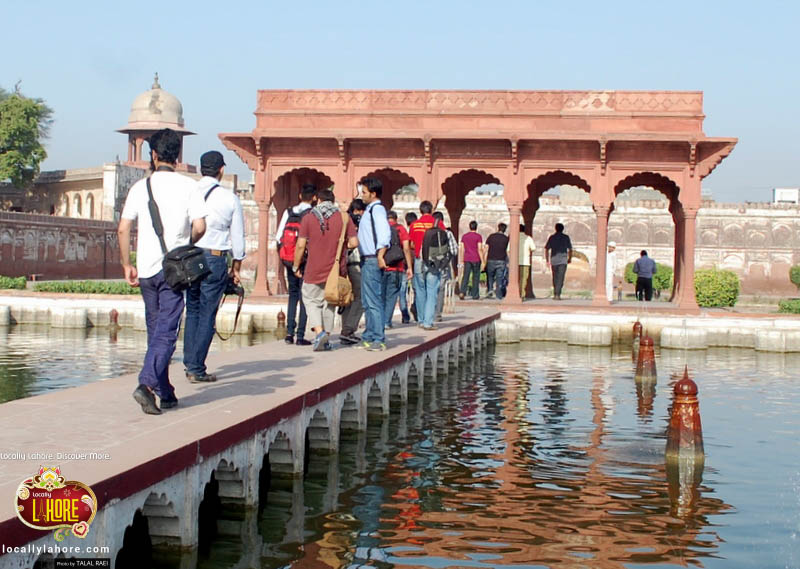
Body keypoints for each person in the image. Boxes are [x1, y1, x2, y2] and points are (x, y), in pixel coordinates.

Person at [117, 128, 207, 415]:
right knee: (167, 332)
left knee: (157, 330)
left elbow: (122, 228)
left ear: (153, 155)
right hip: (174, 270)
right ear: (177, 155)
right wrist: (186, 244)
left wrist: (126, 264)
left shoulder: (139, 188)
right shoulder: (189, 186)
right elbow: (201, 226)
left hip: (145, 269)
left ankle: (166, 392)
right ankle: (146, 385)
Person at [183, 151, 246, 383]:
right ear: (221, 170)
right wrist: (236, 268)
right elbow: (237, 239)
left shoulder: (190, 191)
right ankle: (196, 367)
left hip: (191, 256)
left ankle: (189, 362)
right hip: (214, 257)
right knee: (208, 313)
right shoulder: (229, 198)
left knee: (193, 310)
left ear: (201, 169)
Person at [293, 188, 358, 351]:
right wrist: (342, 247)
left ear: (319, 201)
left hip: (314, 268)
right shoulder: (344, 218)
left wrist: (296, 265)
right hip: (336, 270)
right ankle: (326, 339)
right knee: (329, 303)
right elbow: (354, 243)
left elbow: (300, 245)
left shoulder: (309, 218)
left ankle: (320, 332)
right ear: (333, 201)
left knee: (310, 300)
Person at [276, 184, 316, 346]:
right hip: (305, 261)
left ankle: (289, 334)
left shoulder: (289, 212)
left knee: (292, 296)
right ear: (314, 198)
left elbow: (279, 237)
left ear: (300, 196)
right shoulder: (312, 214)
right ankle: (300, 335)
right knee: (305, 296)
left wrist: (285, 258)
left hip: (289, 259)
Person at [357, 178, 391, 351]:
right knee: (367, 300)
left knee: (374, 300)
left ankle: (378, 338)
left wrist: (380, 255)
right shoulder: (370, 210)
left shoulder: (377, 210)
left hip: (372, 259)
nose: (361, 195)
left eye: (364, 192)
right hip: (367, 259)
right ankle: (369, 337)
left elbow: (384, 234)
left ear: (373, 193)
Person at [408, 201, 446, 330]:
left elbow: (411, 244)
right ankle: (428, 322)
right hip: (433, 260)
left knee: (420, 290)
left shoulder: (415, 225)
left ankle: (421, 319)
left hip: (419, 259)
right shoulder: (438, 223)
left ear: (420, 211)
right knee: (432, 291)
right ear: (431, 210)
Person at [339, 199, 365, 344]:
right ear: (357, 211)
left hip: (342, 263)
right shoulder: (357, 224)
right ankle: (348, 329)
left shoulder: (343, 221)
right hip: (355, 263)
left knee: (347, 297)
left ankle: (346, 329)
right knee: (360, 297)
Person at [382, 210, 414, 328]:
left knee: (381, 295)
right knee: (392, 296)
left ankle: (379, 321)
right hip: (397, 267)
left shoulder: (381, 228)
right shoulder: (401, 229)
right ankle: (386, 322)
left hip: (382, 266)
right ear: (396, 219)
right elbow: (406, 249)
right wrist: (409, 267)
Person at [433, 212, 458, 321]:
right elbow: (454, 250)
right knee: (440, 289)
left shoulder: (427, 232)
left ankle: (426, 314)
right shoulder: (447, 233)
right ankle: (437, 314)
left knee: (429, 288)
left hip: (429, 264)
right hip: (442, 265)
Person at [544, 223, 573, 300]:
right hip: (563, 260)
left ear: (555, 228)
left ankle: (556, 293)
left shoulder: (552, 237)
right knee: (560, 277)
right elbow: (570, 249)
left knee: (555, 277)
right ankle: (557, 294)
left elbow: (546, 249)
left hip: (554, 260)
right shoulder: (566, 237)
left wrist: (547, 260)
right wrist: (570, 258)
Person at [400, 212, 418, 322]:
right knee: (417, 289)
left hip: (404, 264)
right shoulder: (418, 232)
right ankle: (415, 308)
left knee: (402, 291)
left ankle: (405, 315)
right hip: (416, 263)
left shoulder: (404, 233)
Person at [458, 220, 483, 300]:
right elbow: (480, 249)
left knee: (466, 276)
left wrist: (462, 259)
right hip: (476, 258)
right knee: (475, 277)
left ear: (469, 227)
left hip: (467, 258)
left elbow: (462, 248)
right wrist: (483, 260)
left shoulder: (465, 236)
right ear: (476, 227)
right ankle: (475, 294)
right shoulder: (478, 236)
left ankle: (462, 291)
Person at [484, 223, 509, 300]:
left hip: (491, 259)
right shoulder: (506, 239)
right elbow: (508, 250)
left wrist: (484, 260)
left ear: (498, 228)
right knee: (499, 278)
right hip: (501, 260)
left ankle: (490, 290)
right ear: (505, 230)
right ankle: (498, 294)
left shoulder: (491, 236)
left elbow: (486, 248)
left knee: (490, 276)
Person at [519, 223, 535, 299]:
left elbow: (508, 250)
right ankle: (521, 294)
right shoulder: (528, 238)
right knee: (524, 279)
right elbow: (533, 248)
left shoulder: (513, 238)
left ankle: (517, 293)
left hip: (515, 262)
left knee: (517, 279)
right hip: (525, 261)